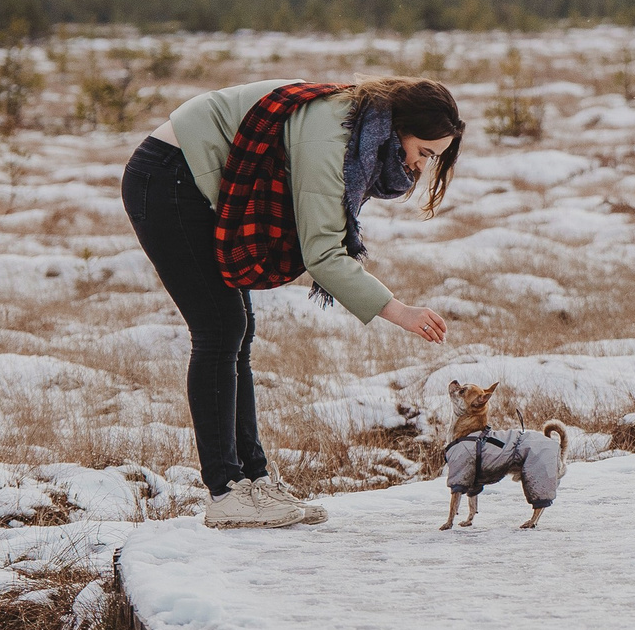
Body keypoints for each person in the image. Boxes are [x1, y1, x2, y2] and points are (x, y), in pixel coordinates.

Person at [122, 76, 460, 528]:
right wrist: (400, 312)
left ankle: (255, 481)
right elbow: (323, 254)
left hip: (189, 177)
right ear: (399, 127)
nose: (421, 166)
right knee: (220, 329)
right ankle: (226, 492)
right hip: (168, 178)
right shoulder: (334, 134)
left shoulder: (359, 126)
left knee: (236, 330)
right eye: (424, 151)